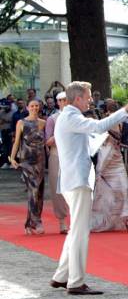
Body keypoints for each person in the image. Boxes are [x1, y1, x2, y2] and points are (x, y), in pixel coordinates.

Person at [50, 81, 128, 295]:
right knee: (81, 232)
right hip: (77, 181)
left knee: (76, 230)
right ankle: (76, 282)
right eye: (88, 96)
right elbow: (99, 127)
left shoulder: (68, 116)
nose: (91, 100)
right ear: (78, 99)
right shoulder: (72, 116)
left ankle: (61, 276)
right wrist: (126, 109)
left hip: (74, 180)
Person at [89, 105, 128, 232]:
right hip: (106, 157)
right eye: (111, 113)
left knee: (124, 189)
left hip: (117, 159)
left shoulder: (122, 124)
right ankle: (104, 221)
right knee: (107, 193)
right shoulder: (102, 125)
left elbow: (121, 140)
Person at [9, 99, 47, 234]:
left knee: (39, 192)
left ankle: (29, 224)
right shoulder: (21, 122)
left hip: (40, 161)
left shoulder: (43, 123)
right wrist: (12, 158)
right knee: (33, 191)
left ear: (40, 107)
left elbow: (46, 143)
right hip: (27, 162)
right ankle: (36, 222)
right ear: (27, 107)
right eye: (32, 106)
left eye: (37, 106)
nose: (34, 108)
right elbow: (16, 142)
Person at [44, 92, 70, 234]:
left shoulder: (76, 117)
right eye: (61, 100)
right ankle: (62, 221)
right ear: (58, 102)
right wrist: (59, 133)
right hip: (57, 156)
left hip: (74, 157)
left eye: (66, 99)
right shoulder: (52, 119)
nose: (64, 102)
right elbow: (47, 141)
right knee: (58, 189)